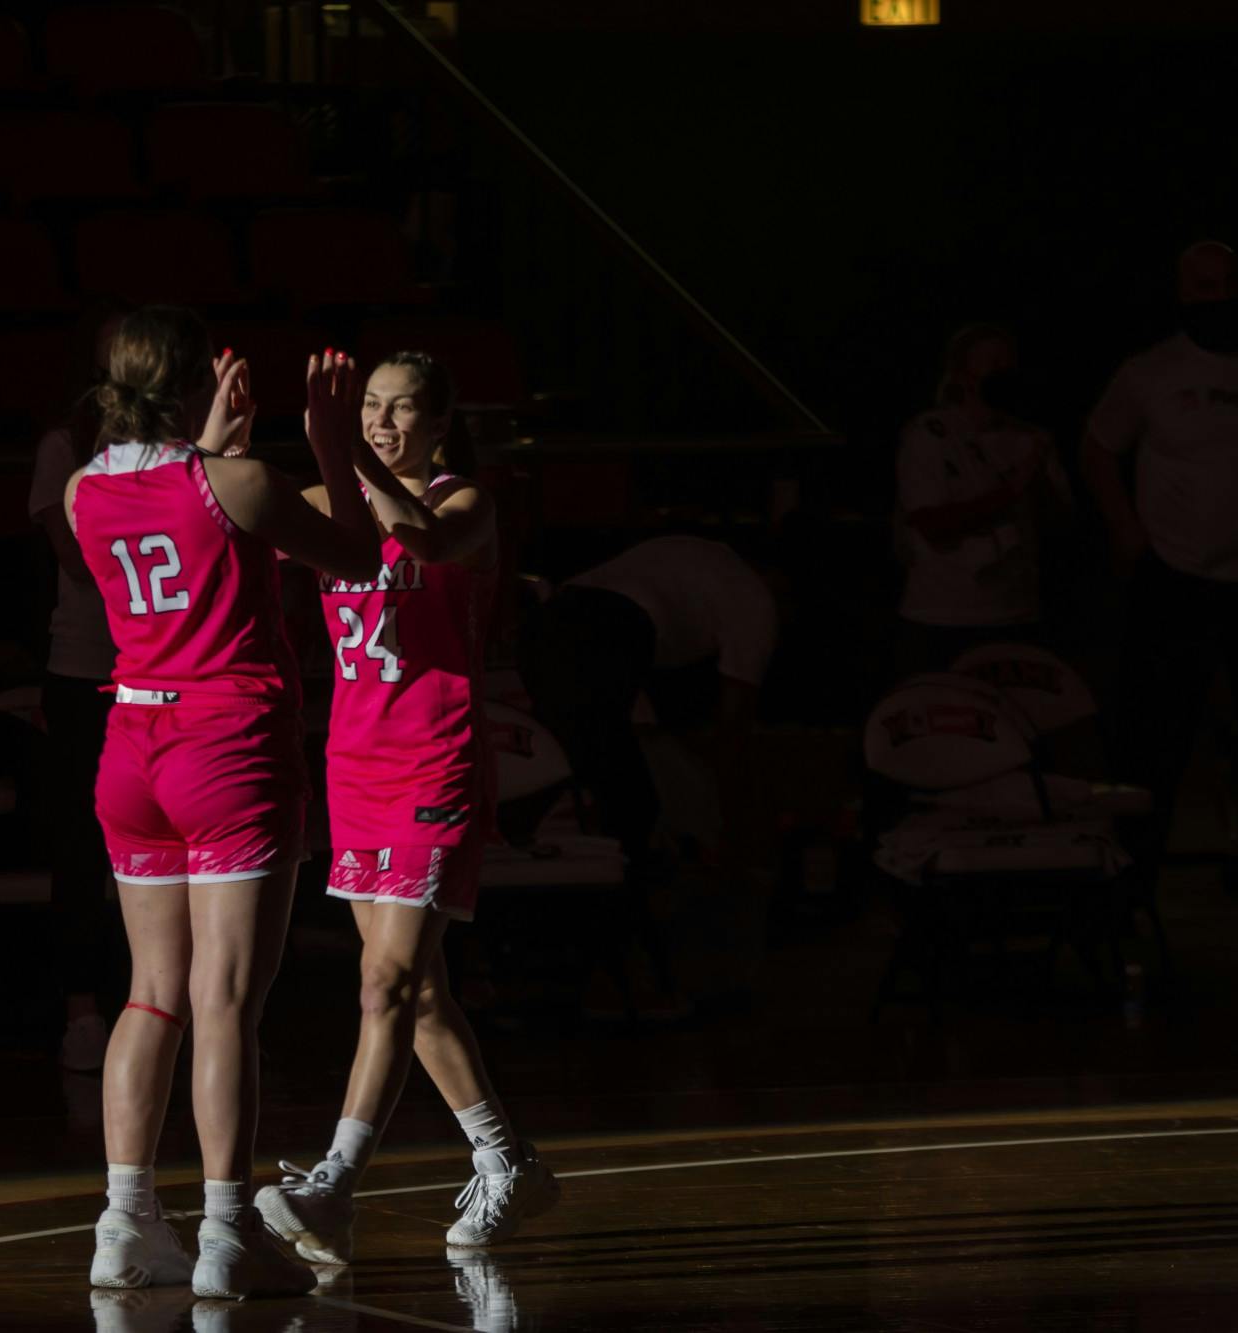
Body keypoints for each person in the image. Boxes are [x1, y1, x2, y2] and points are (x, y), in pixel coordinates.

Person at [69, 308, 380, 1300]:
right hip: (226, 746)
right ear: (192, 387)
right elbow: (357, 557)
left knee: (150, 992)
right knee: (225, 1003)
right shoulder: (241, 482)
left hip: (131, 747)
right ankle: (225, 1233)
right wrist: (326, 435)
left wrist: (207, 440)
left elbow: (171, 500)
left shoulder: (81, 490)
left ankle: (121, 1224)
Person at [253, 352, 557, 1266]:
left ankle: (337, 1184)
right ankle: (509, 1163)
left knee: (383, 983)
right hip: (354, 766)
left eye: (399, 409)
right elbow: (227, 521)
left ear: (438, 423)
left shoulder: (470, 504)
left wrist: (353, 457)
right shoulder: (322, 502)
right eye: (367, 408)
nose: (381, 420)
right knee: (417, 992)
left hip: (436, 762)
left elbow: (420, 536)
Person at [1080, 241, 1238, 912]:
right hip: (1174, 578)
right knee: (1150, 742)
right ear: (1184, 295)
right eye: (1204, 288)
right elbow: (1097, 446)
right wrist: (1126, 527)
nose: (1218, 300)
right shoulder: (1149, 371)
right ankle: (1127, 897)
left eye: (1228, 285)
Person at [518, 534, 778, 1015]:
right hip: (597, 633)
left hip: (547, 624)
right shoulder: (753, 602)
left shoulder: (697, 563)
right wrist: (730, 833)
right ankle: (624, 977)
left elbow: (629, 707)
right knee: (629, 816)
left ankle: (545, 958)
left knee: (553, 790)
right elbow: (732, 733)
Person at [28, 306, 125, 1072]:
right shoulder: (67, 446)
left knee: (160, 849)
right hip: (85, 671)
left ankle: (157, 1007)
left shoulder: (181, 450)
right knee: (82, 845)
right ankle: (81, 1011)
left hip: (161, 677)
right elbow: (74, 557)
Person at [893, 324, 1070, 674]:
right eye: (993, 363)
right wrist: (1011, 490)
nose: (1004, 372)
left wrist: (1037, 480)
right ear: (963, 375)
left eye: (1009, 363)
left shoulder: (1030, 439)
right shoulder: (930, 435)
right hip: (943, 618)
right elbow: (934, 524)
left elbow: (1058, 523)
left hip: (1015, 614)